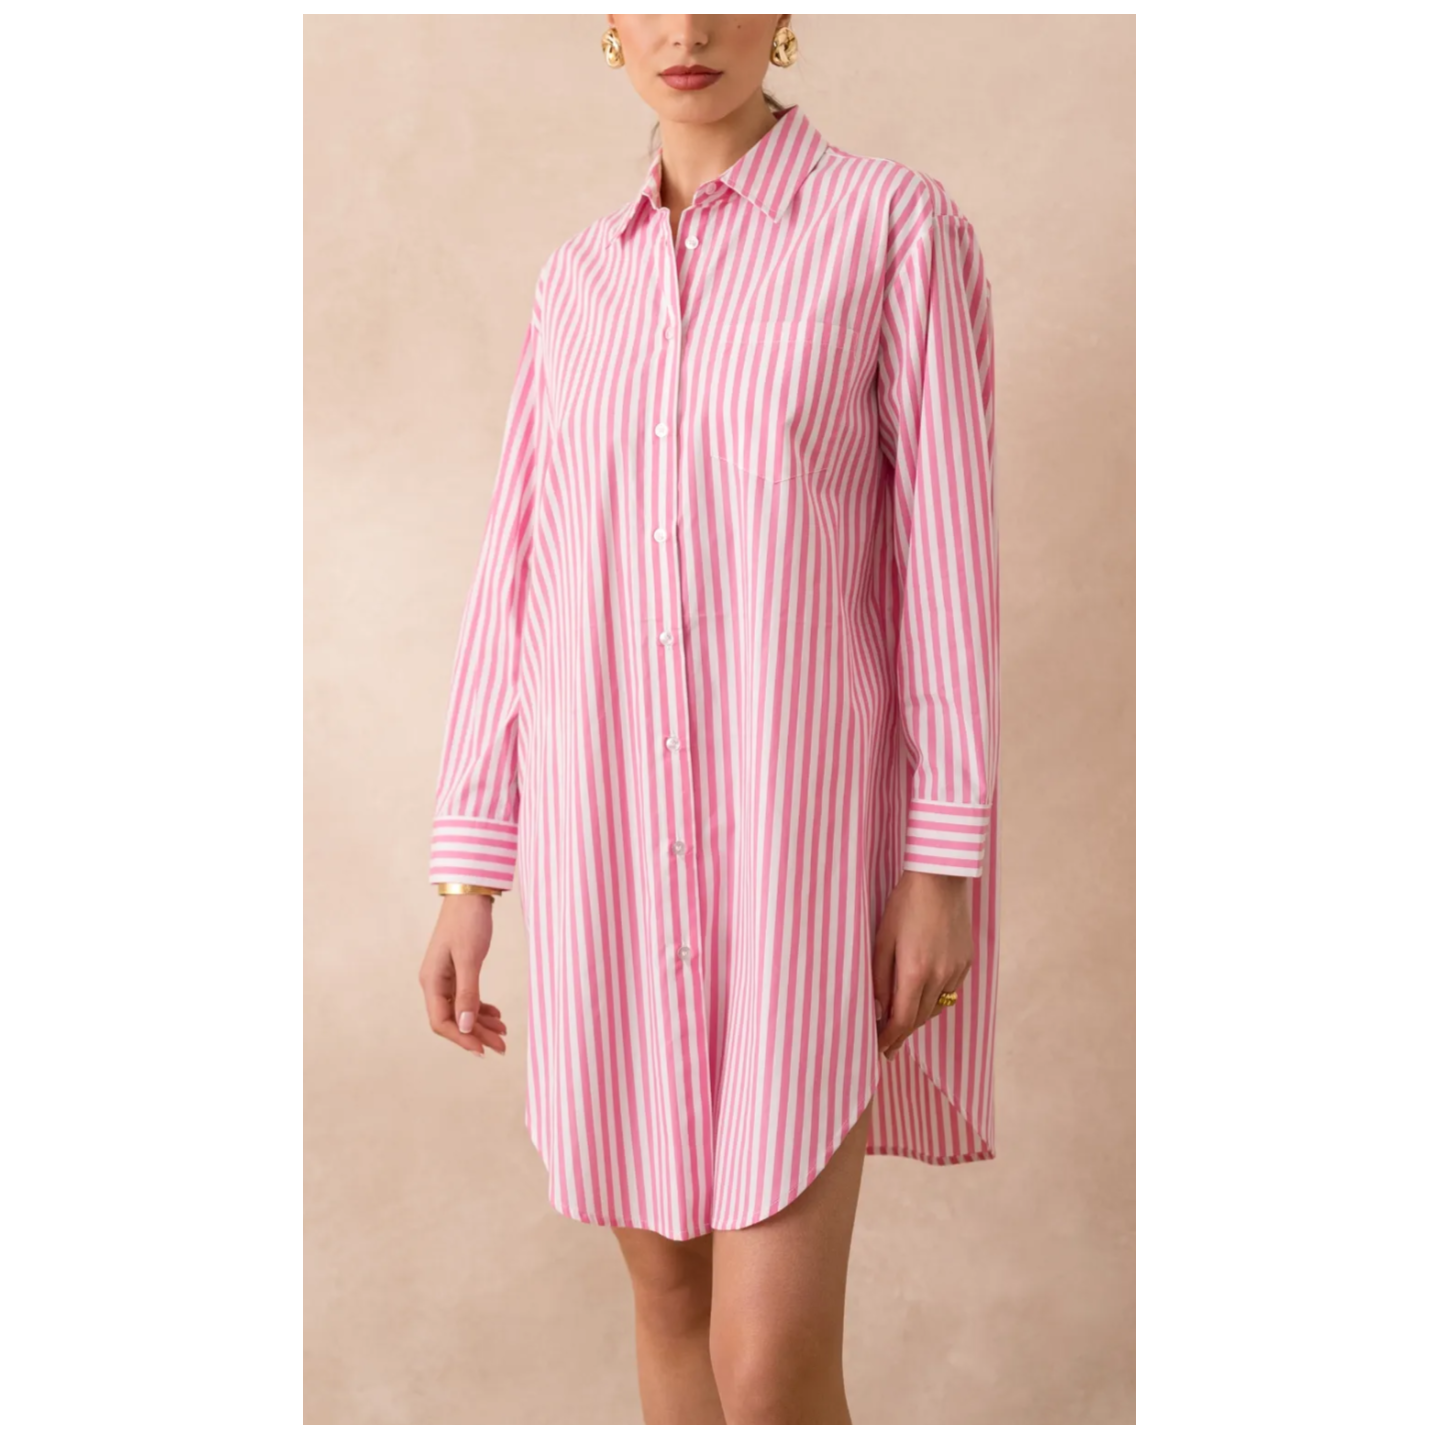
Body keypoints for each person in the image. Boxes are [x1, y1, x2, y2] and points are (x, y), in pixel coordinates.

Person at [418, 14, 1000, 1425]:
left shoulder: (891, 228)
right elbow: (519, 573)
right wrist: (469, 872)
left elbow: (948, 562)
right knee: (671, 1310)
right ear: (607, 25)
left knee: (771, 1364)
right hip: (609, 851)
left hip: (800, 857)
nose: (688, 29)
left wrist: (941, 864)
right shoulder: (577, 284)